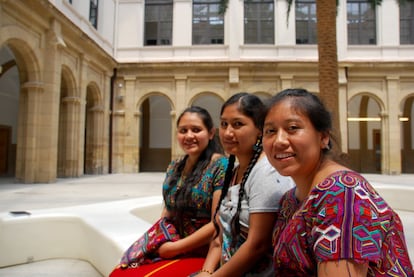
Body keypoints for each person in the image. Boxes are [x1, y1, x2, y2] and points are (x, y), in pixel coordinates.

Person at [262, 88, 414, 276]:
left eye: (293, 128)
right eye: (270, 131)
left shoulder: (342, 194)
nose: (279, 140)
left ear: (323, 137)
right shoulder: (290, 200)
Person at [110, 106, 228, 276]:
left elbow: (217, 223)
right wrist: (158, 241)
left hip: (204, 252)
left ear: (210, 133)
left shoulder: (221, 166)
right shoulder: (175, 166)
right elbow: (168, 211)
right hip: (173, 245)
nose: (189, 136)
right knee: (120, 273)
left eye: (196, 130)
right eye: (183, 130)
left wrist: (175, 248)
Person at [194, 92, 294, 276]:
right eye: (224, 124)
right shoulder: (234, 171)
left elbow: (257, 245)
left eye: (238, 124)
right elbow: (219, 234)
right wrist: (206, 272)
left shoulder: (266, 171)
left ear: (259, 129)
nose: (228, 132)